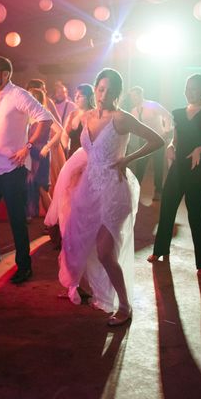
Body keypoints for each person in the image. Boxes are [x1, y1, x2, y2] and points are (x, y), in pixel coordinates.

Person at [57, 68, 163, 326]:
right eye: (100, 89)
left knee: (105, 251)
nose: (103, 95)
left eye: (109, 90)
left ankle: (125, 305)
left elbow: (157, 140)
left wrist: (127, 158)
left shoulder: (122, 118)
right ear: (95, 89)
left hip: (115, 190)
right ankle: (82, 286)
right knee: (77, 241)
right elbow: (87, 153)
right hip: (88, 188)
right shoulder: (87, 117)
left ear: (118, 93)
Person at [0, 57, 53, 284]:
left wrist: (27, 147)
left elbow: (45, 119)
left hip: (12, 166)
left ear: (5, 74)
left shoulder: (19, 95)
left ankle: (24, 266)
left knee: (16, 219)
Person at [147, 74, 201, 274]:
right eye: (187, 88)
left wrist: (200, 149)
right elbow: (175, 139)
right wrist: (170, 147)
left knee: (196, 213)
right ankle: (160, 249)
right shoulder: (178, 113)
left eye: (194, 89)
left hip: (198, 167)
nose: (189, 92)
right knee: (167, 208)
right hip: (178, 166)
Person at [128, 86, 173, 200]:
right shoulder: (133, 111)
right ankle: (135, 190)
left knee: (158, 166)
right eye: (132, 96)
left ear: (141, 94)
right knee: (140, 166)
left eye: (136, 95)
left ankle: (158, 191)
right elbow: (134, 127)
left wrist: (166, 131)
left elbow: (167, 115)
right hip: (143, 140)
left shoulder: (152, 105)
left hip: (158, 139)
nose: (134, 98)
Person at [26, 88, 62, 219]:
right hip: (29, 154)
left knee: (42, 189)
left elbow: (59, 131)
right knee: (28, 185)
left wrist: (47, 147)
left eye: (29, 97)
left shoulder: (45, 113)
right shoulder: (28, 114)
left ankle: (54, 220)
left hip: (41, 154)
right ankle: (28, 215)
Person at [63, 83, 96, 156]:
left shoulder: (94, 115)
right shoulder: (72, 114)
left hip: (88, 156)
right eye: (75, 95)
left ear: (89, 98)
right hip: (72, 154)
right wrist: (66, 149)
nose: (76, 98)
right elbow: (64, 134)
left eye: (80, 96)